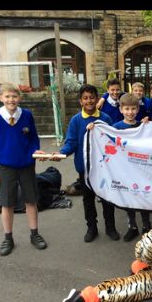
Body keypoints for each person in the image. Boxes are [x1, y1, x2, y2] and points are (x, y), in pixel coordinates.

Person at [51, 84, 121, 242]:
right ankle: (92, 227)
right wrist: (61, 153)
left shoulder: (105, 118)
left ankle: (110, 227)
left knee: (107, 199)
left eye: (92, 97)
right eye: (85, 98)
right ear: (80, 101)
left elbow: (112, 141)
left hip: (104, 168)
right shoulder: (76, 120)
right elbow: (71, 142)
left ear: (97, 99)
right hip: (85, 169)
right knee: (88, 200)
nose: (89, 101)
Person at [0, 82, 48, 256]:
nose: (11, 100)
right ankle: (8, 238)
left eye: (14, 96)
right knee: (7, 203)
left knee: (31, 200)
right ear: (1, 98)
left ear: (19, 98)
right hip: (5, 167)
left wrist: (35, 150)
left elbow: (34, 138)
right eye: (7, 96)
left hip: (27, 165)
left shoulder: (26, 115)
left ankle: (34, 234)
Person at [111, 93, 151, 241]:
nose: (130, 112)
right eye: (126, 109)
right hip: (124, 170)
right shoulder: (116, 127)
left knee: (143, 196)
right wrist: (93, 127)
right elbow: (105, 139)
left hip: (142, 169)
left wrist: (148, 123)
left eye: (133, 109)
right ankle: (132, 226)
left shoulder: (143, 126)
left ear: (138, 109)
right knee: (128, 197)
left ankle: (147, 226)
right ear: (121, 109)